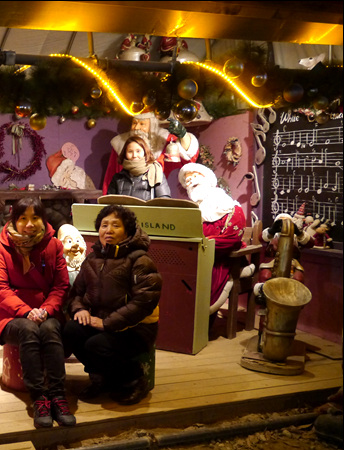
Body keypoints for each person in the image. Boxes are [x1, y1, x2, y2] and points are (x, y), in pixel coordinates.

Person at [62, 205, 162, 405]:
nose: (108, 230)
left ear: (127, 231)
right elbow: (76, 293)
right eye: (104, 225)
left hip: (136, 328)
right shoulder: (92, 259)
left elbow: (144, 301)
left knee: (96, 345)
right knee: (71, 331)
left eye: (115, 225)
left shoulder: (139, 259)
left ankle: (134, 379)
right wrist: (80, 309)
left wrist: (107, 323)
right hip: (101, 322)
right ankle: (100, 378)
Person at [0, 197, 75, 429]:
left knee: (50, 329)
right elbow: (0, 288)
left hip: (47, 313)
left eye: (35, 217)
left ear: (43, 219)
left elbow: (60, 286)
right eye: (23, 218)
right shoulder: (3, 248)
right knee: (28, 330)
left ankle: (58, 395)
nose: (29, 224)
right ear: (14, 221)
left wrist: (46, 310)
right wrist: (27, 311)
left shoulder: (54, 245)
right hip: (13, 316)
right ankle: (39, 398)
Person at [178, 163, 247, 311]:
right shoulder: (193, 209)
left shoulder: (227, 204)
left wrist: (202, 245)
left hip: (218, 258)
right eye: (187, 180)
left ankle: (200, 317)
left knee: (203, 286)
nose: (191, 181)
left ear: (207, 178)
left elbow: (232, 238)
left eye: (195, 176)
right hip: (193, 256)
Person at [102, 112, 199, 194]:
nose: (136, 127)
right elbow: (110, 176)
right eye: (134, 123)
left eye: (142, 124)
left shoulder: (165, 140)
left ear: (152, 125)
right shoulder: (120, 144)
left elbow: (188, 155)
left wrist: (183, 135)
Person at [107, 135, 170, 200]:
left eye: (138, 151)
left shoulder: (156, 173)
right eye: (130, 151)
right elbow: (109, 202)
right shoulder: (118, 177)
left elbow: (164, 200)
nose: (134, 155)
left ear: (145, 152)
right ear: (125, 154)